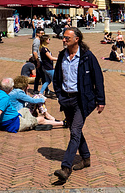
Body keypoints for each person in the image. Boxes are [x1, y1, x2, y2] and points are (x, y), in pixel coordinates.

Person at [53, 27, 105, 183]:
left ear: (77, 39)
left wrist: (101, 100)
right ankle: (86, 158)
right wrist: (59, 95)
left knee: (75, 131)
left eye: (67, 38)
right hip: (66, 99)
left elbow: (98, 79)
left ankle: (66, 168)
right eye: (63, 37)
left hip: (82, 100)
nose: (64, 40)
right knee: (75, 130)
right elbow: (57, 78)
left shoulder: (87, 57)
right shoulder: (62, 55)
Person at [31, 28, 44, 94]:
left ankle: (35, 89)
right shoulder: (36, 41)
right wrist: (38, 61)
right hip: (38, 60)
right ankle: (45, 90)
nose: (42, 35)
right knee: (43, 76)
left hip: (39, 60)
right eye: (41, 33)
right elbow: (35, 52)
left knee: (38, 76)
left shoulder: (39, 40)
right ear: (37, 33)